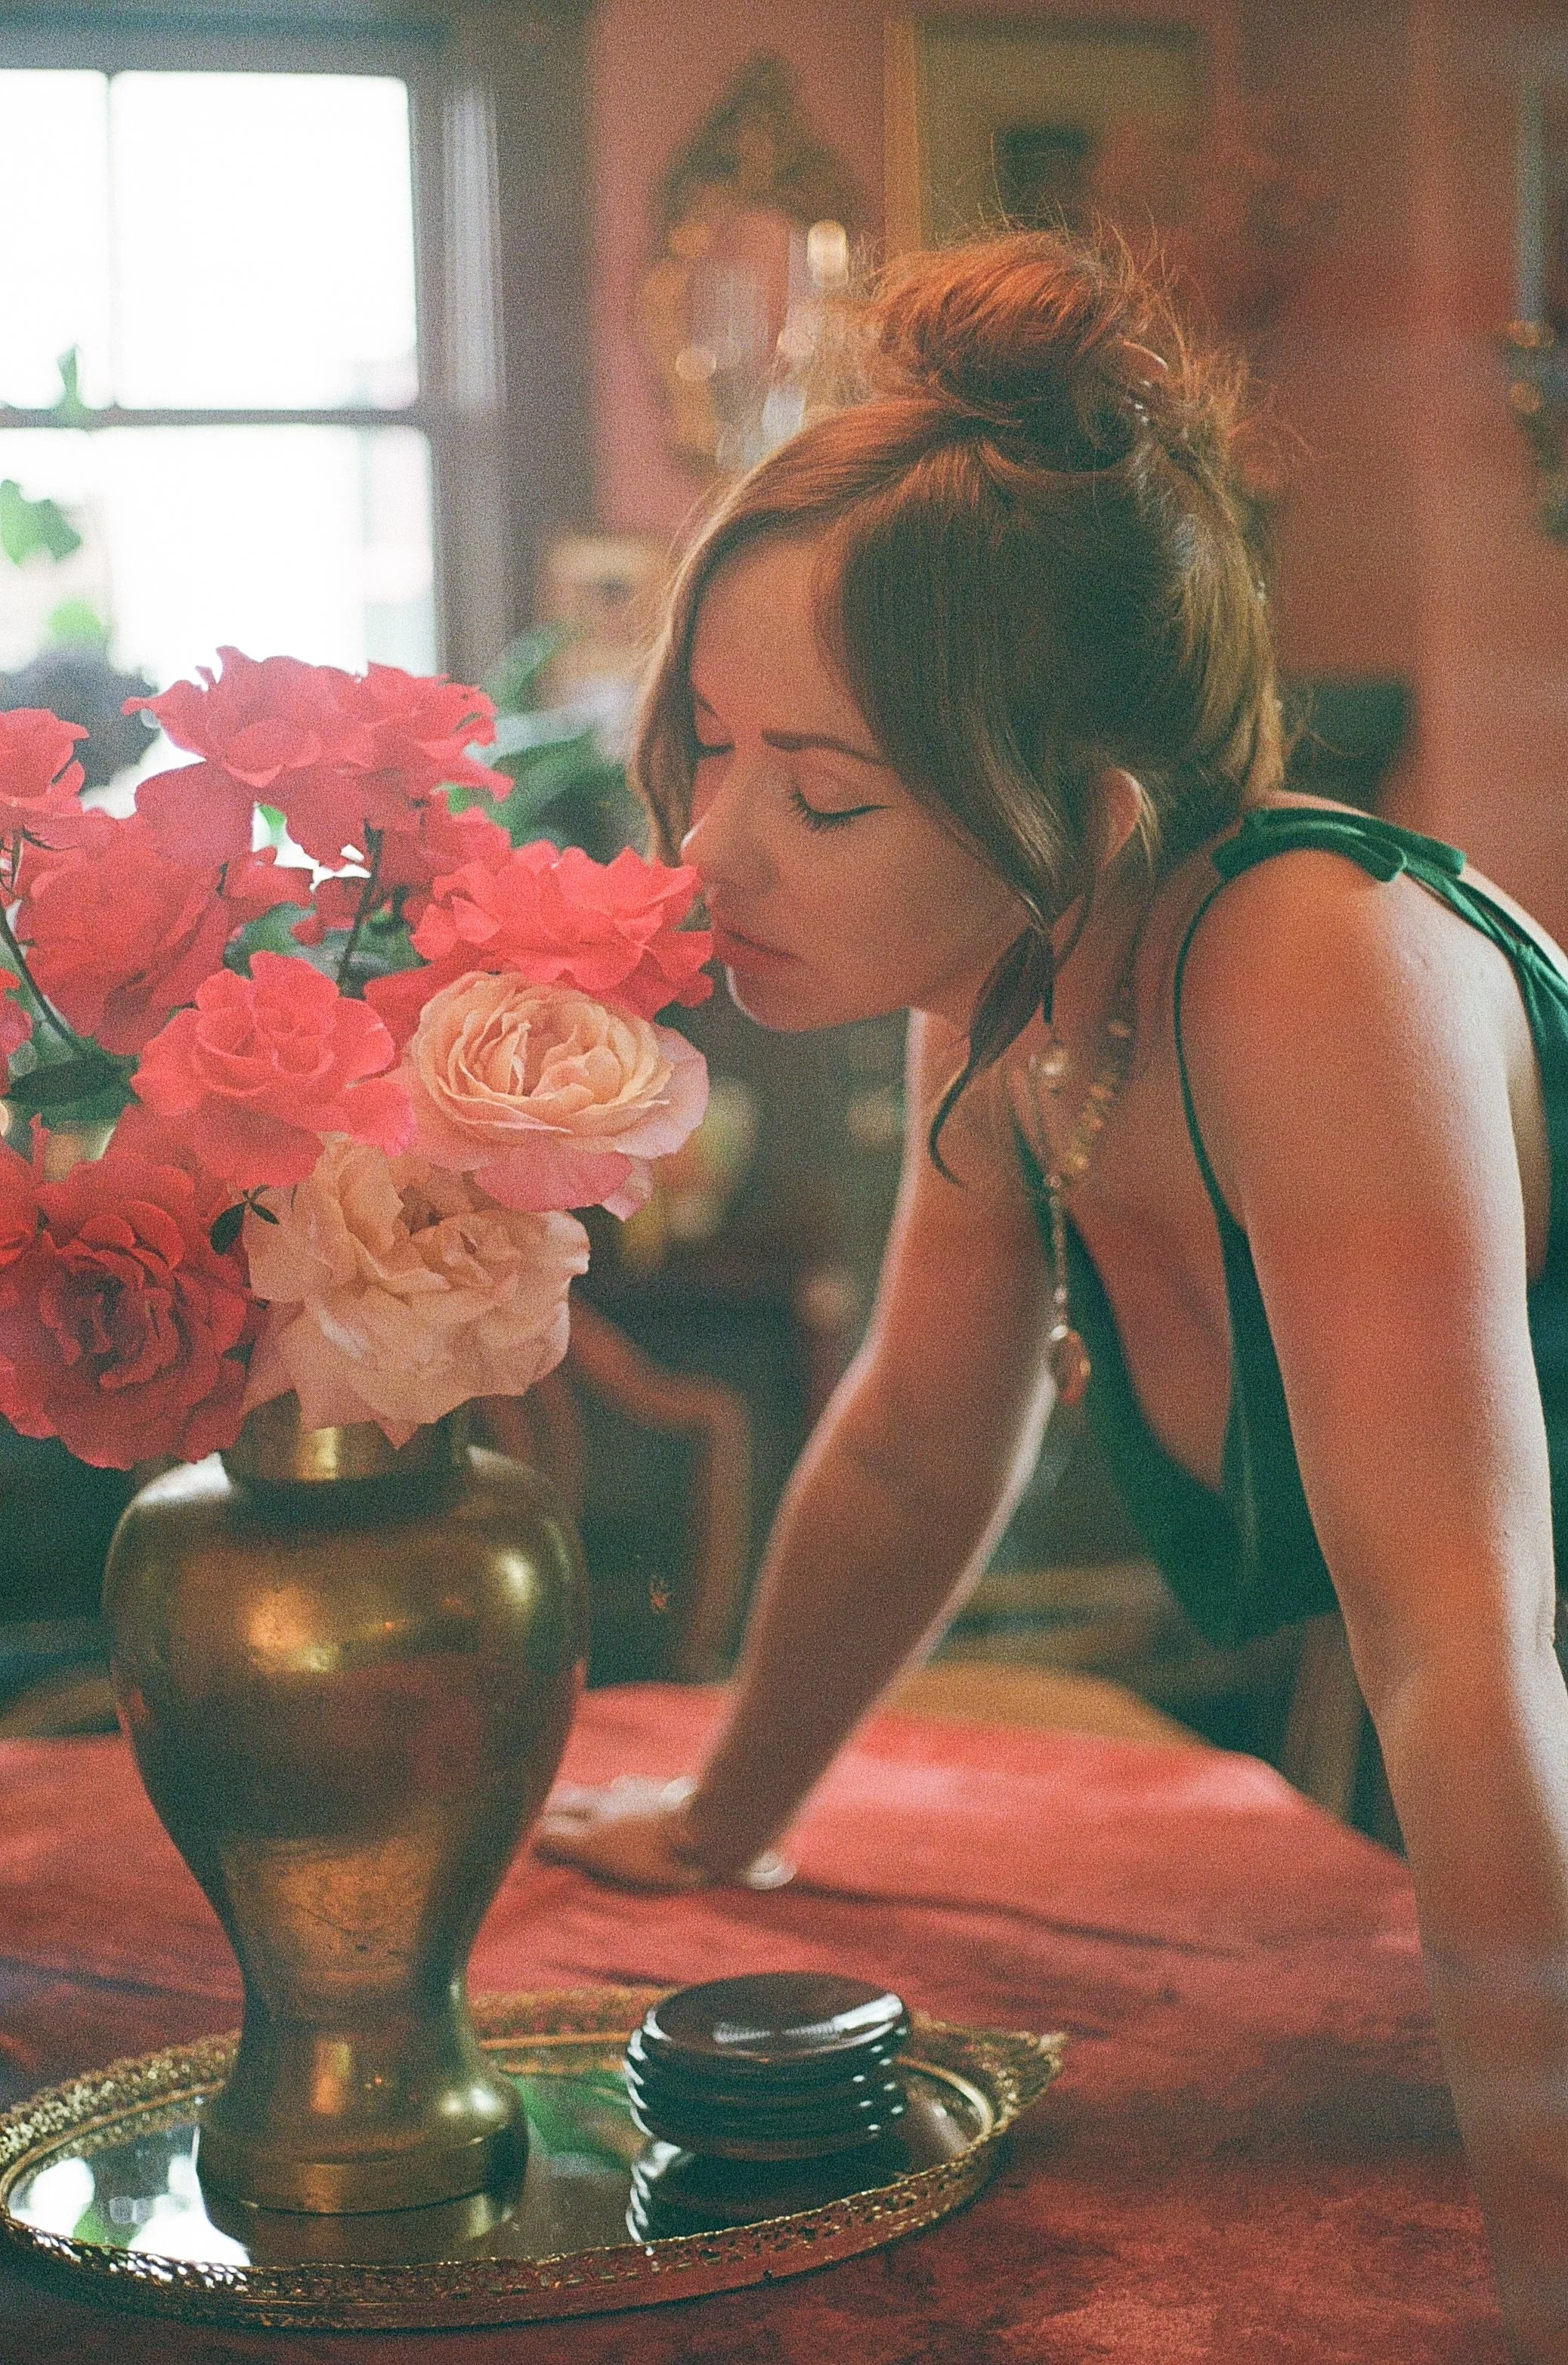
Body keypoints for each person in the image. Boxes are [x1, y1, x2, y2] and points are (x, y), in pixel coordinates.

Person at [536, 231, 1568, 2357]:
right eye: (713, 748)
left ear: (1088, 810)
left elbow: (1468, 1665)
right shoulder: (1017, 991)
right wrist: (725, 1828)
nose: (710, 853)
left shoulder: (1314, 973)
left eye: (822, 790)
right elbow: (919, 1446)